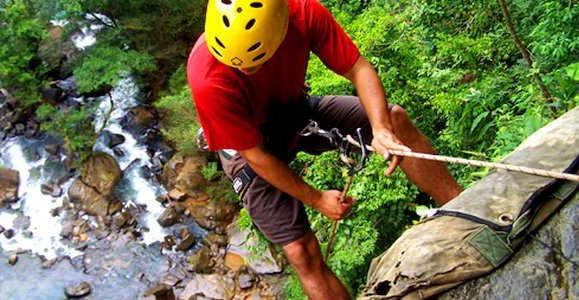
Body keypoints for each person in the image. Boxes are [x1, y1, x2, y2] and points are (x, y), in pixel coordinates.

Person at [186, 0, 463, 298]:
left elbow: (358, 67)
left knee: (394, 120)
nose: (249, 71)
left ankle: (466, 213)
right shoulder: (206, 76)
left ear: (280, 30)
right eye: (239, 64)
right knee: (301, 252)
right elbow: (256, 156)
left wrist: (380, 128)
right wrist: (316, 198)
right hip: (248, 149)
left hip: (293, 112)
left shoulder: (302, 13)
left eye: (259, 60)